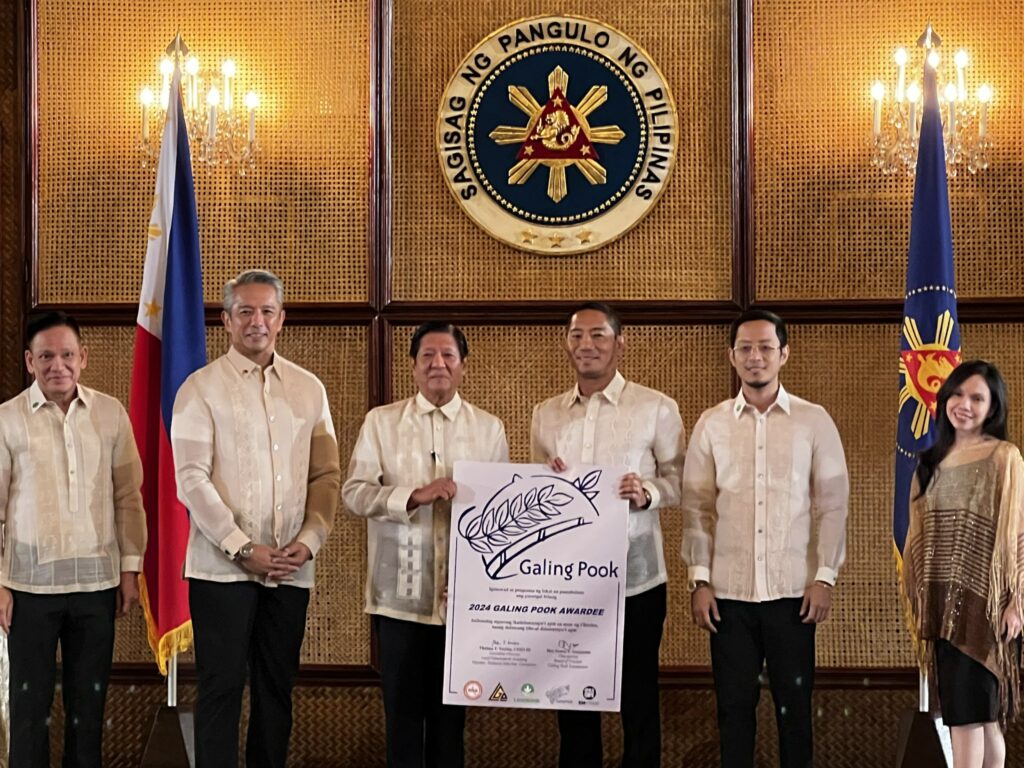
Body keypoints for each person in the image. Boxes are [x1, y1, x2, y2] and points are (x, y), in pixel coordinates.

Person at [171, 269, 341, 768]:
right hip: (221, 569)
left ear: (281, 319)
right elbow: (190, 479)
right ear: (226, 320)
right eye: (245, 311)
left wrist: (309, 542)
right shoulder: (199, 389)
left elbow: (327, 474)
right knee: (221, 686)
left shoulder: (309, 389)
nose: (257, 321)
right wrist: (241, 546)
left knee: (276, 688)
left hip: (290, 568)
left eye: (267, 311)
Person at [681, 309, 848, 768]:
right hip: (727, 598)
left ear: (784, 354)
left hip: (794, 595)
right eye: (746, 348)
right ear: (732, 356)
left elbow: (833, 505)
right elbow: (697, 508)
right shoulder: (711, 423)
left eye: (766, 348)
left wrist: (825, 577)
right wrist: (699, 580)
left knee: (795, 714)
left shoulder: (813, 421)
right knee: (733, 712)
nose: (755, 357)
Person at [343, 321, 508, 768]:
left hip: (462, 601)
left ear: (463, 366)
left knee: (450, 723)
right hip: (399, 600)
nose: (438, 364)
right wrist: (414, 496)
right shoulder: (381, 423)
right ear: (413, 366)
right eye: (427, 356)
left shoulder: (489, 429)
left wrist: (482, 586)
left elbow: (502, 518)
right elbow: (354, 494)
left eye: (448, 355)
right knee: (401, 718)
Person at [530, 302, 685, 768]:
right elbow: (534, 491)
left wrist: (647, 492)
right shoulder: (546, 414)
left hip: (637, 578)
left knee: (638, 694)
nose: (586, 345)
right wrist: (547, 480)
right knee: (572, 696)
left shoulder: (655, 407)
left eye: (598, 335)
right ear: (566, 344)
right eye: (577, 335)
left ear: (620, 342)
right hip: (567, 580)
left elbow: (681, 480)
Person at [0, 311, 146, 768]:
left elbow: (128, 496)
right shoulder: (6, 420)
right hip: (28, 588)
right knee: (30, 709)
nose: (57, 365)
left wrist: (130, 569)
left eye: (66, 355)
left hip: (96, 586)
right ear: (30, 361)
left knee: (89, 709)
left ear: (83, 357)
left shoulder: (110, 414)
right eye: (46, 356)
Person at [902, 360, 1024, 768]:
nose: (964, 405)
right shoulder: (929, 463)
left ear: (993, 407)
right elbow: (918, 538)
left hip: (988, 608)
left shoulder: (1004, 457)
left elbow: (1019, 532)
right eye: (957, 394)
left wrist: (1017, 602)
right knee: (976, 716)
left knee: (973, 716)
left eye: (977, 398)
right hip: (942, 607)